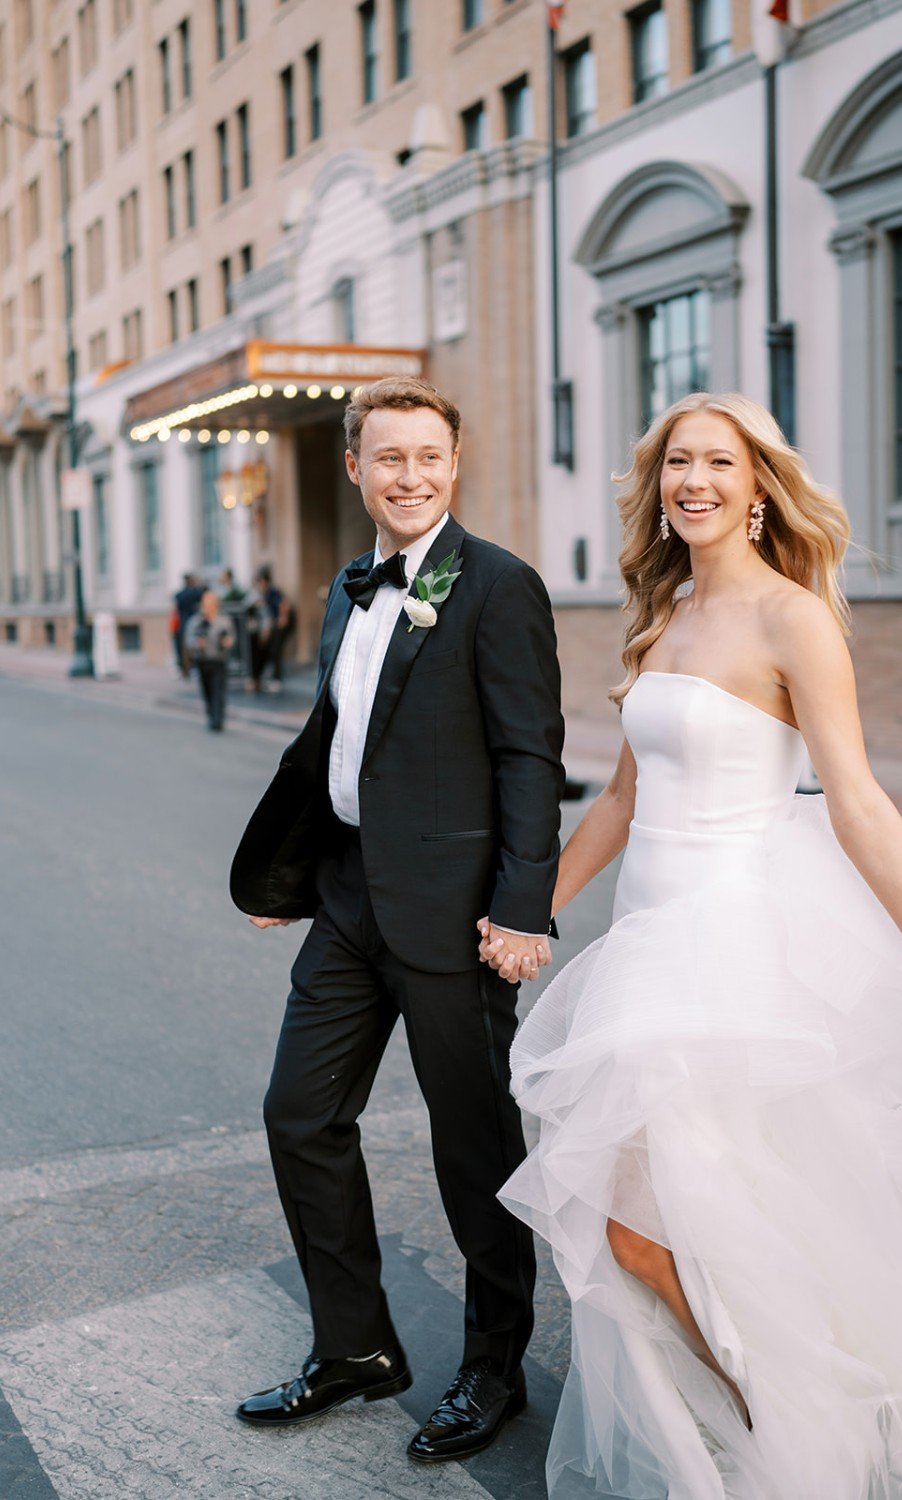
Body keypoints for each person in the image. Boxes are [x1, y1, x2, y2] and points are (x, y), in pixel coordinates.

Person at [491, 392, 902, 1499]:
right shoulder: (660, 618)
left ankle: (791, 1420)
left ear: (758, 490)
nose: (692, 481)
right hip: (646, 948)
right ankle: (782, 1408)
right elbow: (617, 803)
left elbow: (854, 802)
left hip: (737, 950)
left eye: (718, 463)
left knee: (656, 1218)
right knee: (664, 1224)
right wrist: (533, 910)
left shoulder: (795, 619)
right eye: (676, 464)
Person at [229, 377, 565, 1463]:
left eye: (428, 456)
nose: (410, 475)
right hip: (346, 901)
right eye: (389, 458)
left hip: (459, 919)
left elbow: (530, 760)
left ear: (453, 465)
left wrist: (524, 910)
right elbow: (340, 743)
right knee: (298, 1113)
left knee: (474, 1152)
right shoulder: (346, 587)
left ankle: (492, 1369)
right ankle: (356, 1348)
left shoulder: (500, 587)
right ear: (355, 469)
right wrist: (293, 875)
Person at [184, 589, 234, 731]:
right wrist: (196, 644)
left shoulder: (224, 621)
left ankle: (218, 720)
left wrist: (228, 642)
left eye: (209, 604)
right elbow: (188, 641)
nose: (206, 607)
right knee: (207, 691)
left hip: (219, 660)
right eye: (204, 604)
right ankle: (211, 715)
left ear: (216, 605)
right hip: (203, 660)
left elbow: (231, 637)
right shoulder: (196, 621)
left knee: (218, 690)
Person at [173, 572, 203, 679]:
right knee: (194, 646)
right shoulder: (197, 592)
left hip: (183, 624)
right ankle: (194, 668)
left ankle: (185, 670)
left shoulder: (179, 595)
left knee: (183, 648)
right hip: (195, 624)